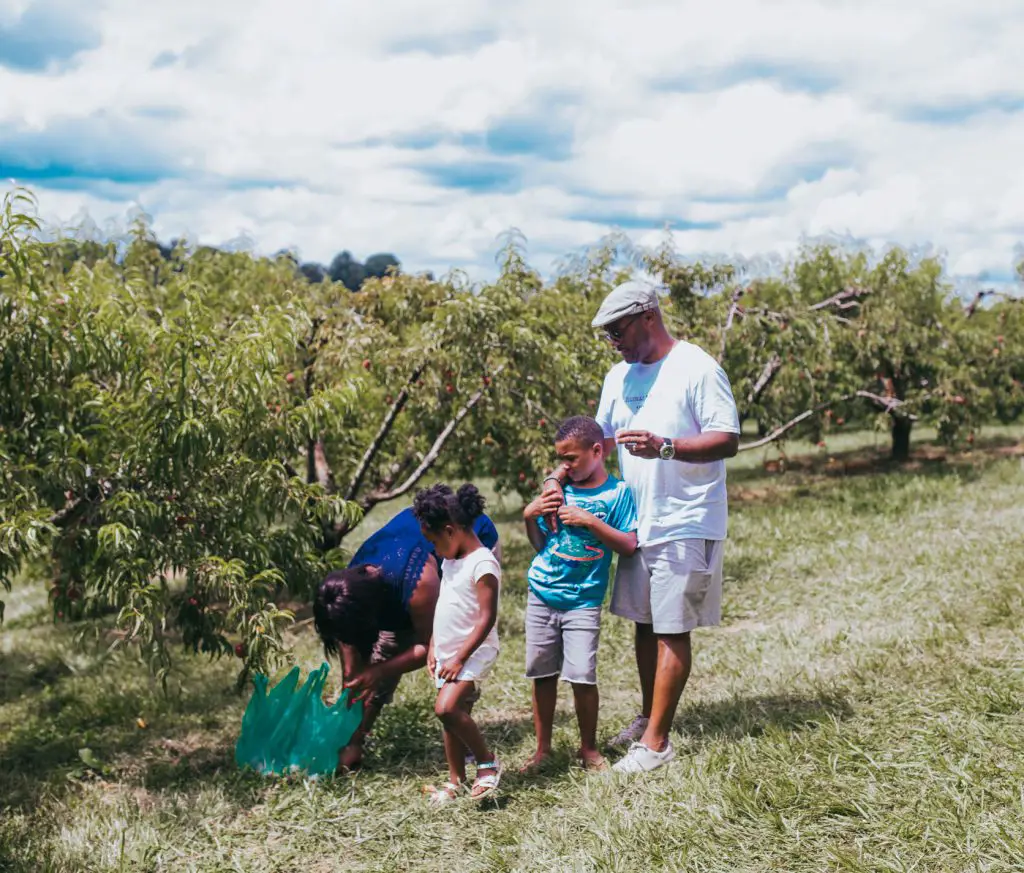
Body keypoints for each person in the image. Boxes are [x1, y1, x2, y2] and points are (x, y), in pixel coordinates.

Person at [546, 279, 740, 774]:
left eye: (618, 331)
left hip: (686, 516)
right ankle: (649, 715)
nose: (614, 342)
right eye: (608, 335)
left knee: (672, 628)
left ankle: (656, 744)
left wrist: (667, 446)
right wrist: (557, 477)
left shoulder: (696, 368)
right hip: (638, 518)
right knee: (645, 623)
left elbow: (727, 439)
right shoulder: (619, 376)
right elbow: (597, 444)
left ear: (647, 316)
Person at [313, 505, 500, 771]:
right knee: (379, 664)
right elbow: (352, 662)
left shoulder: (419, 582)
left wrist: (378, 672)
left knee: (453, 663)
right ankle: (356, 744)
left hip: (466, 544)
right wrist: (350, 728)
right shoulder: (346, 591)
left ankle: (467, 745)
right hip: (402, 575)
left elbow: (431, 646)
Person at [520, 415, 638, 773]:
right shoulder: (560, 490)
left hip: (583, 600)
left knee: (583, 676)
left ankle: (588, 749)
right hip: (542, 593)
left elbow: (630, 545)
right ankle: (543, 750)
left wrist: (592, 522)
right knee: (541, 674)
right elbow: (541, 543)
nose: (564, 466)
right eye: (561, 459)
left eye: (570, 458)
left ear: (597, 451)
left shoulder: (617, 494)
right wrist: (529, 516)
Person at [413, 483, 503, 804]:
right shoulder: (451, 561)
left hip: (473, 651)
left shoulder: (482, 563)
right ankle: (455, 781)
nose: (435, 550)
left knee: (446, 708)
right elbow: (445, 606)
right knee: (453, 717)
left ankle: (487, 763)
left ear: (450, 531)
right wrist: (435, 645)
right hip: (450, 652)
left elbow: (486, 618)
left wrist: (460, 658)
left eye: (435, 541)